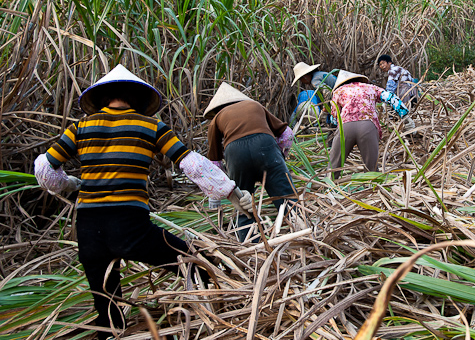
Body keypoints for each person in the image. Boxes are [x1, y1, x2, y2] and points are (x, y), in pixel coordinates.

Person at [33, 64, 253, 340]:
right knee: (198, 264)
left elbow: (44, 170)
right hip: (130, 226)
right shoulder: (151, 126)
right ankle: (221, 321)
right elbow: (191, 164)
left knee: (108, 314)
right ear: (137, 98)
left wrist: (70, 185)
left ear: (102, 97)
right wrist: (232, 193)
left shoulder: (80, 127)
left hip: (88, 229)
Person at [203, 82, 296, 242]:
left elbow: (214, 164)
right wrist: (280, 157)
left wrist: (216, 197)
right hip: (265, 146)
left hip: (236, 155)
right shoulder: (254, 105)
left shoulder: (217, 119)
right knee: (286, 197)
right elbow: (287, 134)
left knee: (243, 204)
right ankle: (300, 231)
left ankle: (252, 246)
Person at [329, 70, 413, 178]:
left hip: (346, 127)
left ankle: (328, 188)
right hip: (368, 127)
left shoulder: (338, 91)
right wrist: (405, 116)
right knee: (371, 168)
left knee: (334, 165)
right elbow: (391, 97)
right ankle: (372, 190)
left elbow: (334, 117)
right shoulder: (370, 87)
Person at [290, 62, 337, 126]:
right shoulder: (318, 75)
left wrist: (325, 111)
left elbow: (328, 92)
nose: (301, 82)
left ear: (305, 77)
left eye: (300, 79)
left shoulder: (314, 81)